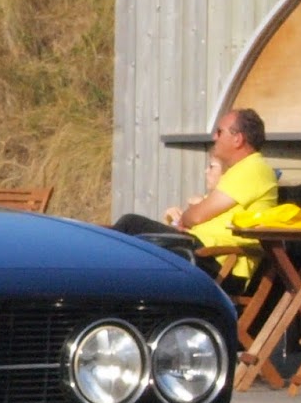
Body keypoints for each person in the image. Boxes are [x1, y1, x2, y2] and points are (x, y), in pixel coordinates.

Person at [114, 107, 277, 279]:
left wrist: (186, 217)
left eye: (219, 132)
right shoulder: (242, 171)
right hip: (203, 252)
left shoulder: (253, 169)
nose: (214, 137)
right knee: (132, 240)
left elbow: (196, 217)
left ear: (237, 139)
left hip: (219, 262)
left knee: (130, 225)